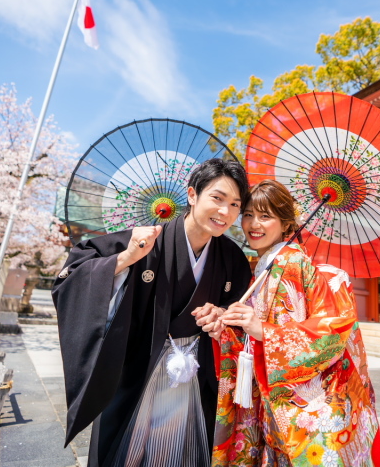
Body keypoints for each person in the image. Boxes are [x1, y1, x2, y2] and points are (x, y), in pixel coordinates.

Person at [52, 158, 253, 467]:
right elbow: (72, 275)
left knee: (180, 452)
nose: (225, 212)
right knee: (127, 453)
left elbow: (237, 307)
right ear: (192, 195)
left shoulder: (233, 258)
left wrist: (221, 317)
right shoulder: (146, 239)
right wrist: (127, 258)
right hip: (139, 367)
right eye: (217, 198)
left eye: (235, 204)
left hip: (194, 374)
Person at [200, 179, 380, 466]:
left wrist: (263, 330)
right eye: (248, 214)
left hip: (303, 410)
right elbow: (252, 336)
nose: (254, 224)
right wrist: (225, 328)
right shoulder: (264, 268)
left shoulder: (294, 263)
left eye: (265, 216)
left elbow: (332, 332)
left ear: (286, 223)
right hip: (273, 405)